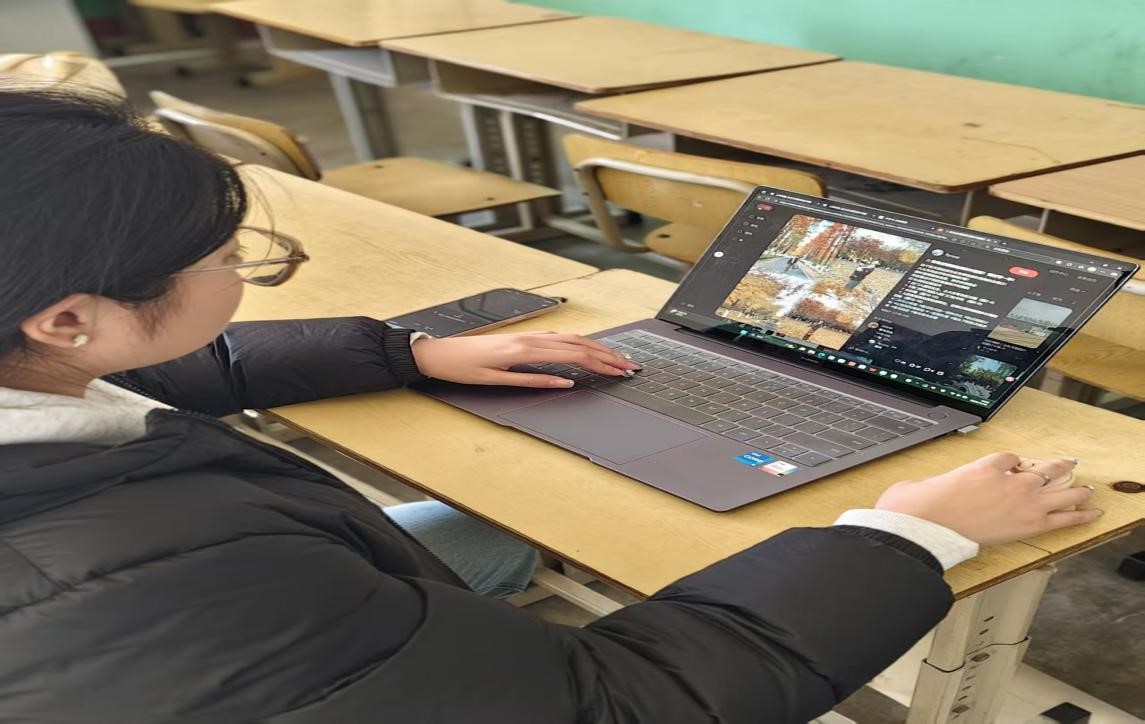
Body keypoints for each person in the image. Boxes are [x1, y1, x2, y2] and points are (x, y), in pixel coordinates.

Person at [0, 89, 1102, 724]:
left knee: (492, 533)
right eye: (228, 257)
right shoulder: (164, 587)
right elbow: (618, 704)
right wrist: (905, 537)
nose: (244, 271)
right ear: (68, 319)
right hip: (224, 641)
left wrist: (410, 351)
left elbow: (166, 370)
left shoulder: (36, 370)